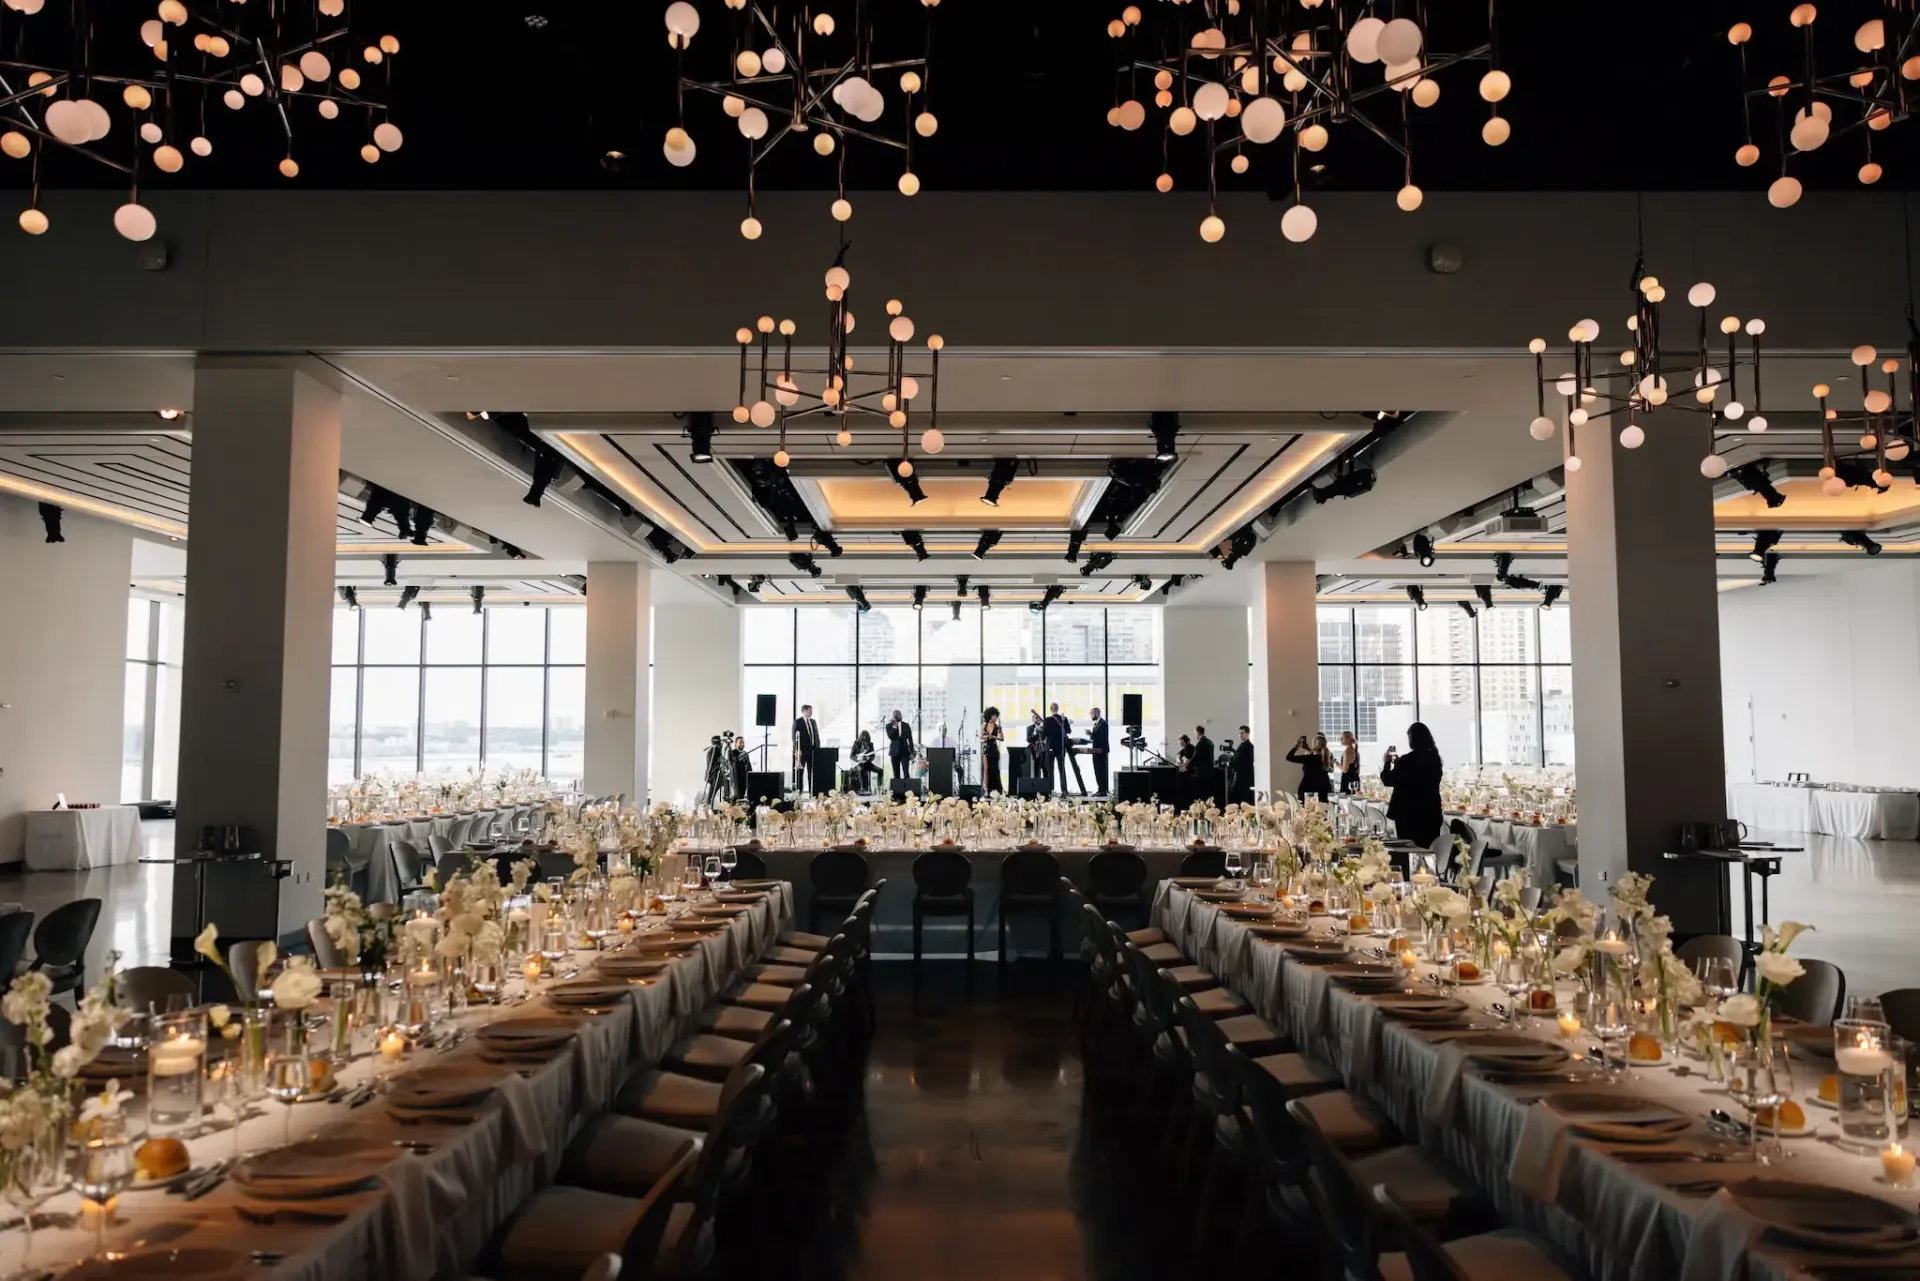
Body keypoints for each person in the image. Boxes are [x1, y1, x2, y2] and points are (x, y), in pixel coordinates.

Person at [1382, 721, 1444, 848]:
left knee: (1409, 851)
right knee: (1428, 851)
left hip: (1408, 815)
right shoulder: (1435, 759)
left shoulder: (1407, 760)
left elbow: (1388, 780)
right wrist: (1399, 763)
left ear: (1413, 739)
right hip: (1430, 813)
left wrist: (1387, 763)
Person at [1045, 703, 1086, 796]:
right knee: (1061, 769)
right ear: (1058, 709)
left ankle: (1049, 791)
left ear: (1050, 709)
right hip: (1061, 747)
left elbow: (1044, 734)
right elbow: (1068, 731)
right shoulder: (1063, 719)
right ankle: (1064, 790)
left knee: (1050, 770)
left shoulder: (1047, 720)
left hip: (1050, 747)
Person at [1286, 733, 1333, 802]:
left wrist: (1296, 746)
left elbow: (1289, 757)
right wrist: (1307, 748)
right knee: (1322, 811)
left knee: (1307, 811)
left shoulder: (1308, 759)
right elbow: (1316, 756)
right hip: (1324, 788)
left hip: (1307, 788)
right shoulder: (1327, 757)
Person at [791, 703, 820, 792]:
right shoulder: (797, 722)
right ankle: (799, 791)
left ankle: (812, 791)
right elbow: (793, 737)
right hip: (802, 752)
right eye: (810, 710)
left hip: (813, 751)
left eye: (812, 710)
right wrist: (797, 750)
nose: (811, 712)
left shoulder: (813, 722)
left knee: (812, 772)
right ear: (804, 711)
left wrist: (818, 748)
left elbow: (816, 735)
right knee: (800, 772)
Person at [884, 710, 915, 785]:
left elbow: (910, 739)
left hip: (904, 751)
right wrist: (894, 726)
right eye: (897, 716)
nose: (899, 717)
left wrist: (912, 752)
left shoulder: (906, 725)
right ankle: (897, 793)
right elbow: (891, 737)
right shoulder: (889, 726)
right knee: (896, 774)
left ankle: (908, 791)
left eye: (900, 715)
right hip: (894, 752)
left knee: (906, 773)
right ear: (893, 717)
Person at [1087, 706, 1110, 797]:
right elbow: (1095, 737)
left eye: (1092, 714)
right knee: (1097, 770)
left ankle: (1103, 790)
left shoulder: (1103, 724)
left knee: (1101, 771)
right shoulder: (1096, 724)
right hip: (1095, 751)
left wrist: (1091, 734)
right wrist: (1091, 735)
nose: (1091, 716)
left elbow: (1102, 738)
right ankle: (1100, 789)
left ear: (1096, 713)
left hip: (1101, 751)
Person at [981, 706, 1005, 794]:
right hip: (985, 748)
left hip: (994, 748)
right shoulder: (984, 726)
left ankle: (996, 789)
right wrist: (986, 737)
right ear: (990, 716)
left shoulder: (998, 726)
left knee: (994, 769)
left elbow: (1002, 738)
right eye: (995, 715)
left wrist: (993, 737)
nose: (996, 717)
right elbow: (981, 737)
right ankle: (986, 789)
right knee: (986, 769)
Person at [1229, 725, 1255, 804]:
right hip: (1239, 776)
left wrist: (1233, 764)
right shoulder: (1241, 745)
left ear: (1247, 734)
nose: (1240, 735)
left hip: (1244, 778)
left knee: (1242, 800)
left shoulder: (1249, 746)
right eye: (1239, 733)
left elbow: (1245, 762)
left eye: (1242, 733)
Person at [1024, 710, 1049, 792]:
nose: (1037, 719)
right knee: (1035, 769)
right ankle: (1035, 788)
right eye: (1035, 718)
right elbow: (1028, 739)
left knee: (1045, 768)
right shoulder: (1030, 728)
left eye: (1038, 718)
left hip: (1043, 750)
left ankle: (1045, 788)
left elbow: (1046, 738)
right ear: (1033, 719)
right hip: (1033, 751)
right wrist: (1034, 733)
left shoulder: (1044, 728)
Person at [728, 732, 749, 801]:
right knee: (737, 796)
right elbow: (732, 763)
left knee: (742, 796)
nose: (742, 744)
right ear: (736, 744)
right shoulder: (732, 753)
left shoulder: (745, 753)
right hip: (736, 778)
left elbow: (748, 765)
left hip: (744, 778)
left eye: (743, 742)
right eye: (740, 742)